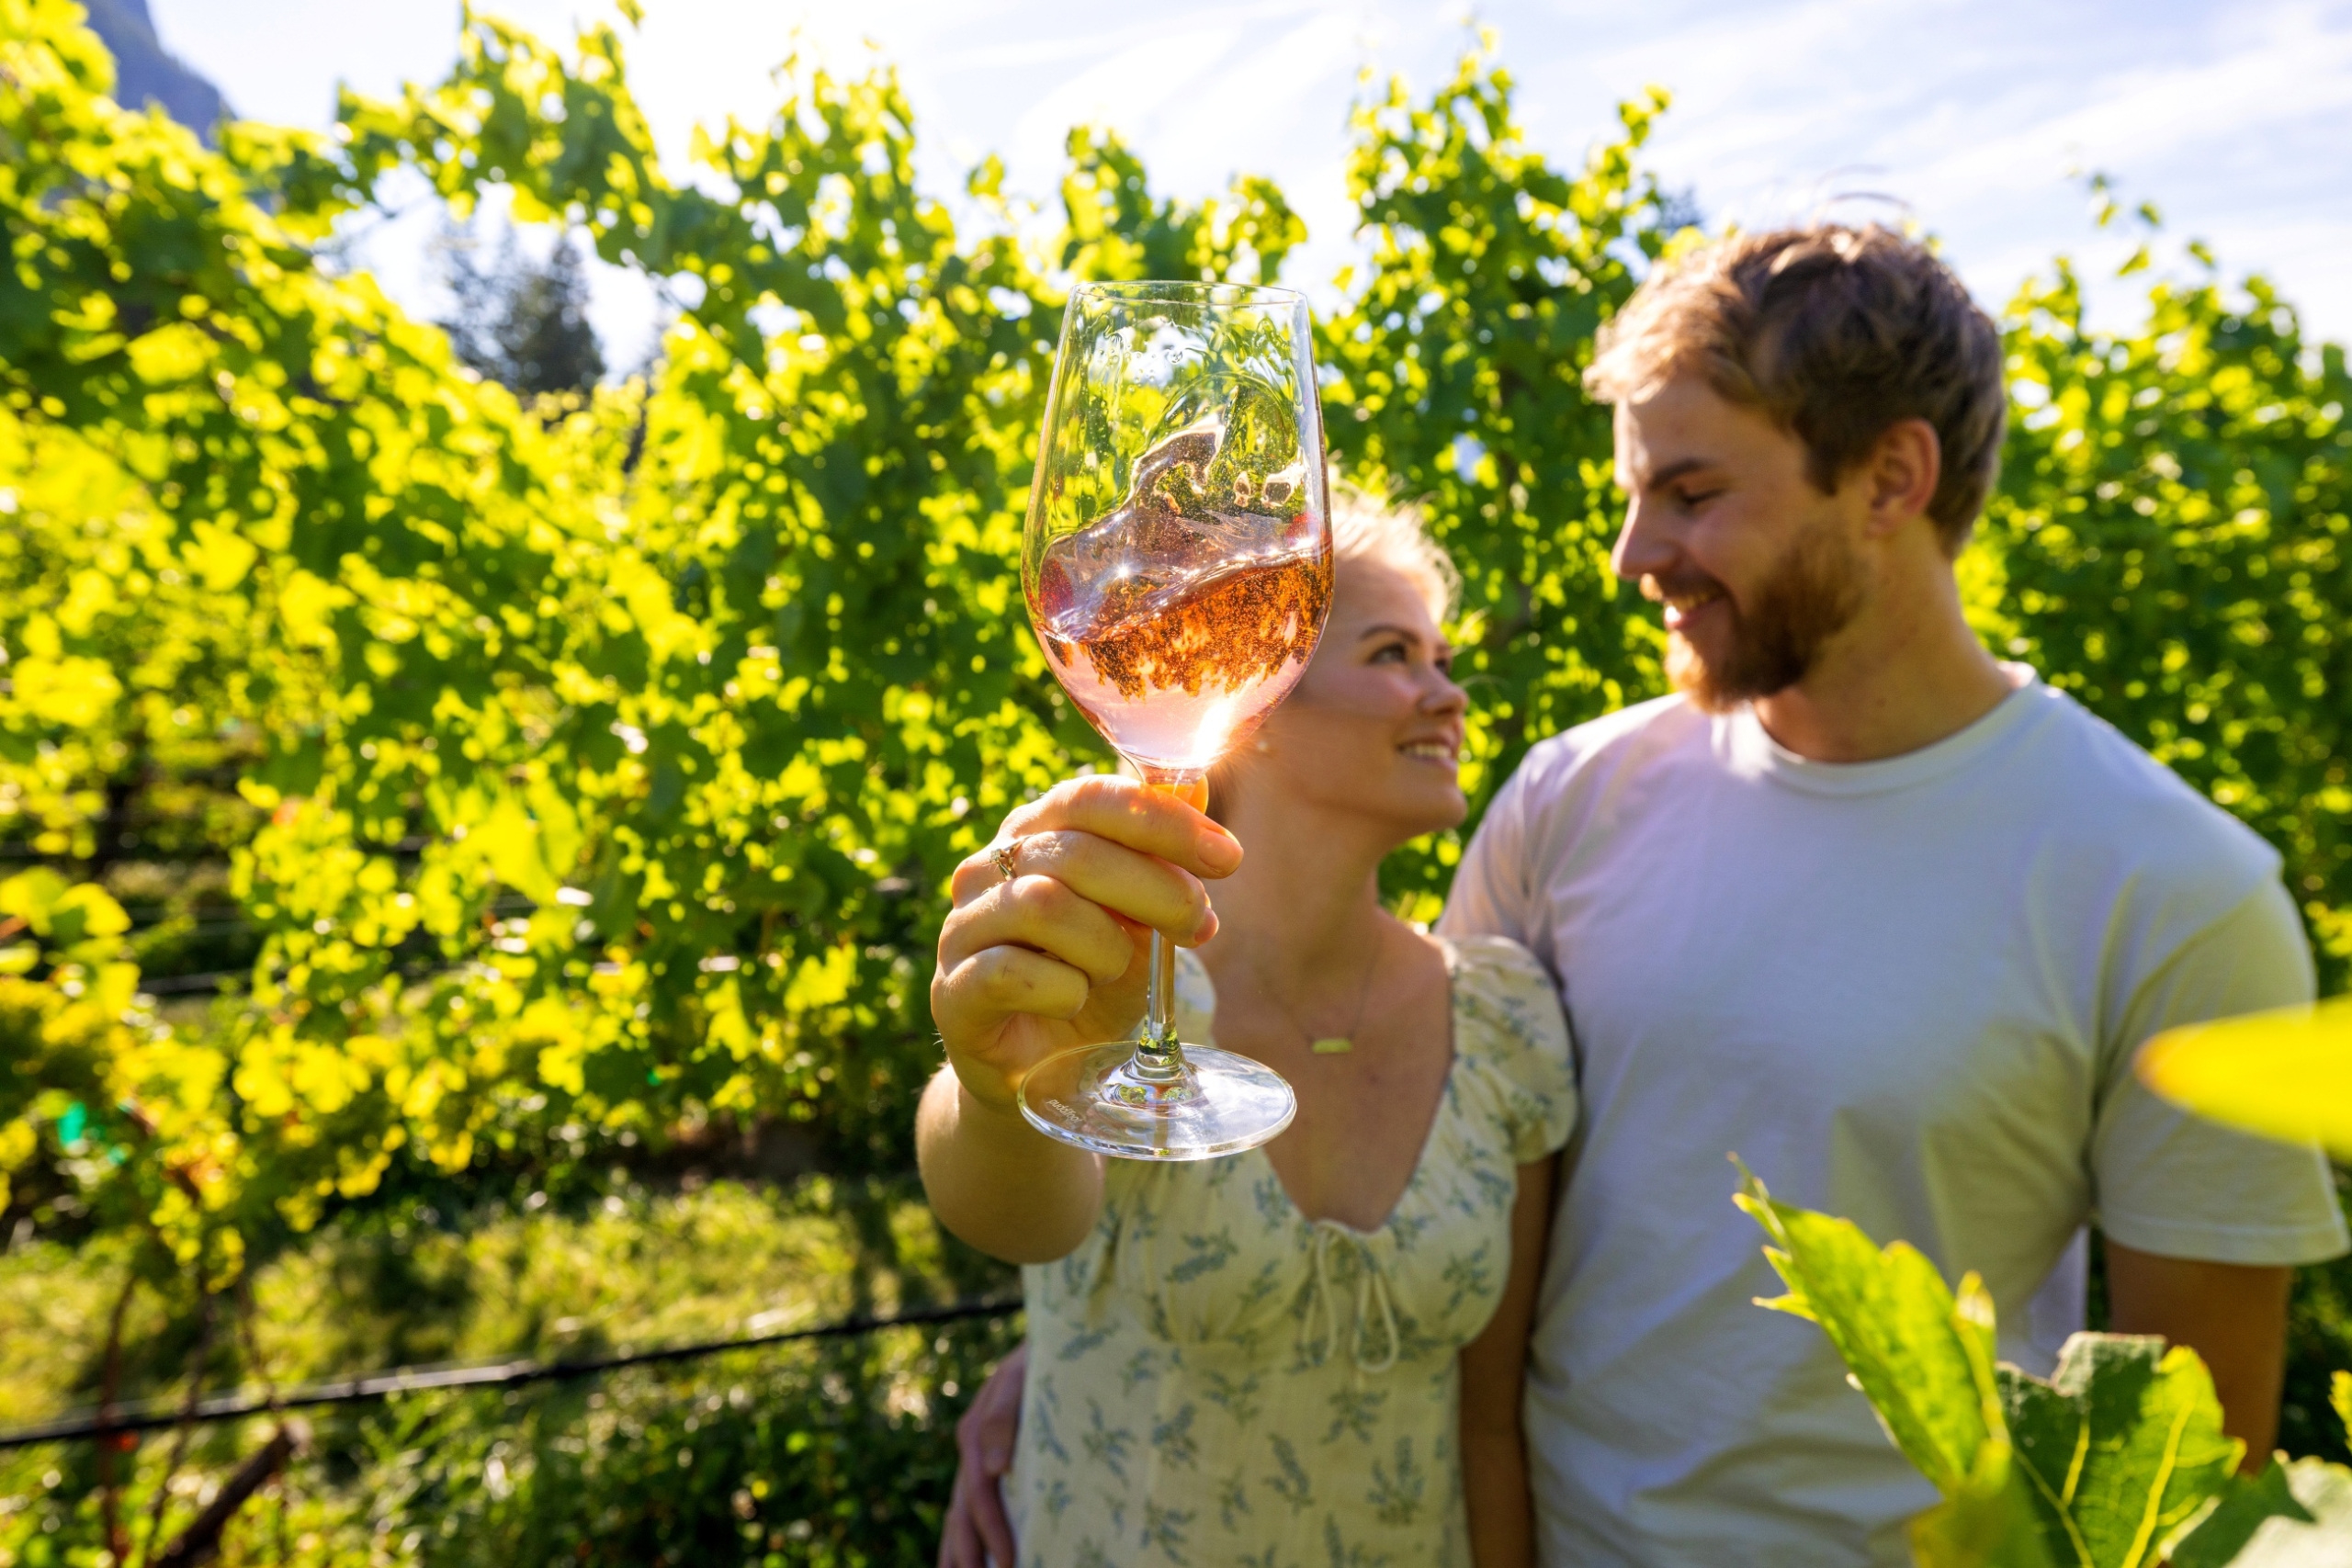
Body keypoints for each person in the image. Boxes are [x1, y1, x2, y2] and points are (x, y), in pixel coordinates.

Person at [939, 223, 2350, 1566]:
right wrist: (1075, 1340)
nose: (1632, 554)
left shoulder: (2174, 889)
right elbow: (1435, 1171)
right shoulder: (1572, 802)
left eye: (1691, 492)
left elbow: (2189, 1451)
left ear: (1890, 481)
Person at [922, 493, 1576, 1567]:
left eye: (1440, 658)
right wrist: (994, 1096)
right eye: (1393, 654)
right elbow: (1010, 1210)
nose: (1449, 694)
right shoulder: (1124, 982)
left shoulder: (1502, 1019)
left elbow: (1489, 1428)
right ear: (1254, 694)